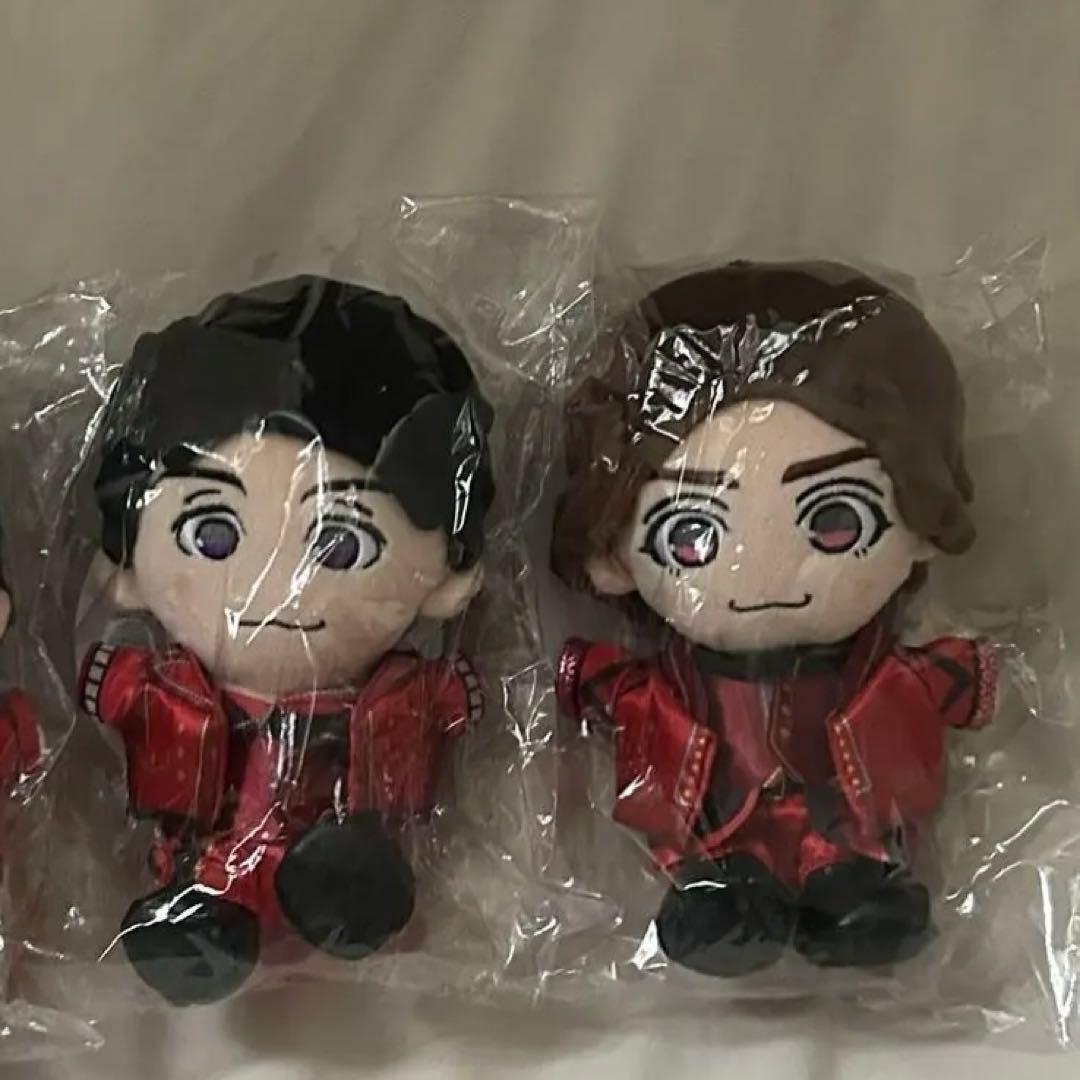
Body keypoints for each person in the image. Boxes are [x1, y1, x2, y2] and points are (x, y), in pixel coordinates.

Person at [553, 260, 995, 976]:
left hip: (847, 817)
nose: (761, 567)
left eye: (835, 522)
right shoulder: (672, 678)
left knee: (852, 862)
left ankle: (850, 886)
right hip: (718, 821)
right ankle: (727, 892)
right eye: (691, 535)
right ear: (615, 557)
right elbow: (613, 689)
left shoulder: (876, 670)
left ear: (921, 524)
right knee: (725, 877)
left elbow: (947, 684)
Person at [79, 276, 494, 1005]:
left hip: (343, 856)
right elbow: (109, 694)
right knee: (204, 884)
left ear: (444, 578)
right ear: (126, 566)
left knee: (350, 878)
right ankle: (196, 921)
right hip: (210, 860)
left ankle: (349, 908)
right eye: (212, 534)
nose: (273, 582)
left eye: (340, 544)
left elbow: (451, 704)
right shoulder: (167, 686)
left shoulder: (393, 693)